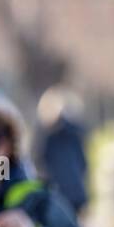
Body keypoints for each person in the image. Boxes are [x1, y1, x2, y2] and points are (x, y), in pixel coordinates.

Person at [34, 87, 90, 217]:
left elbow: (38, 161)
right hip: (73, 191)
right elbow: (83, 162)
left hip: (58, 193)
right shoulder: (74, 132)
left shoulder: (45, 135)